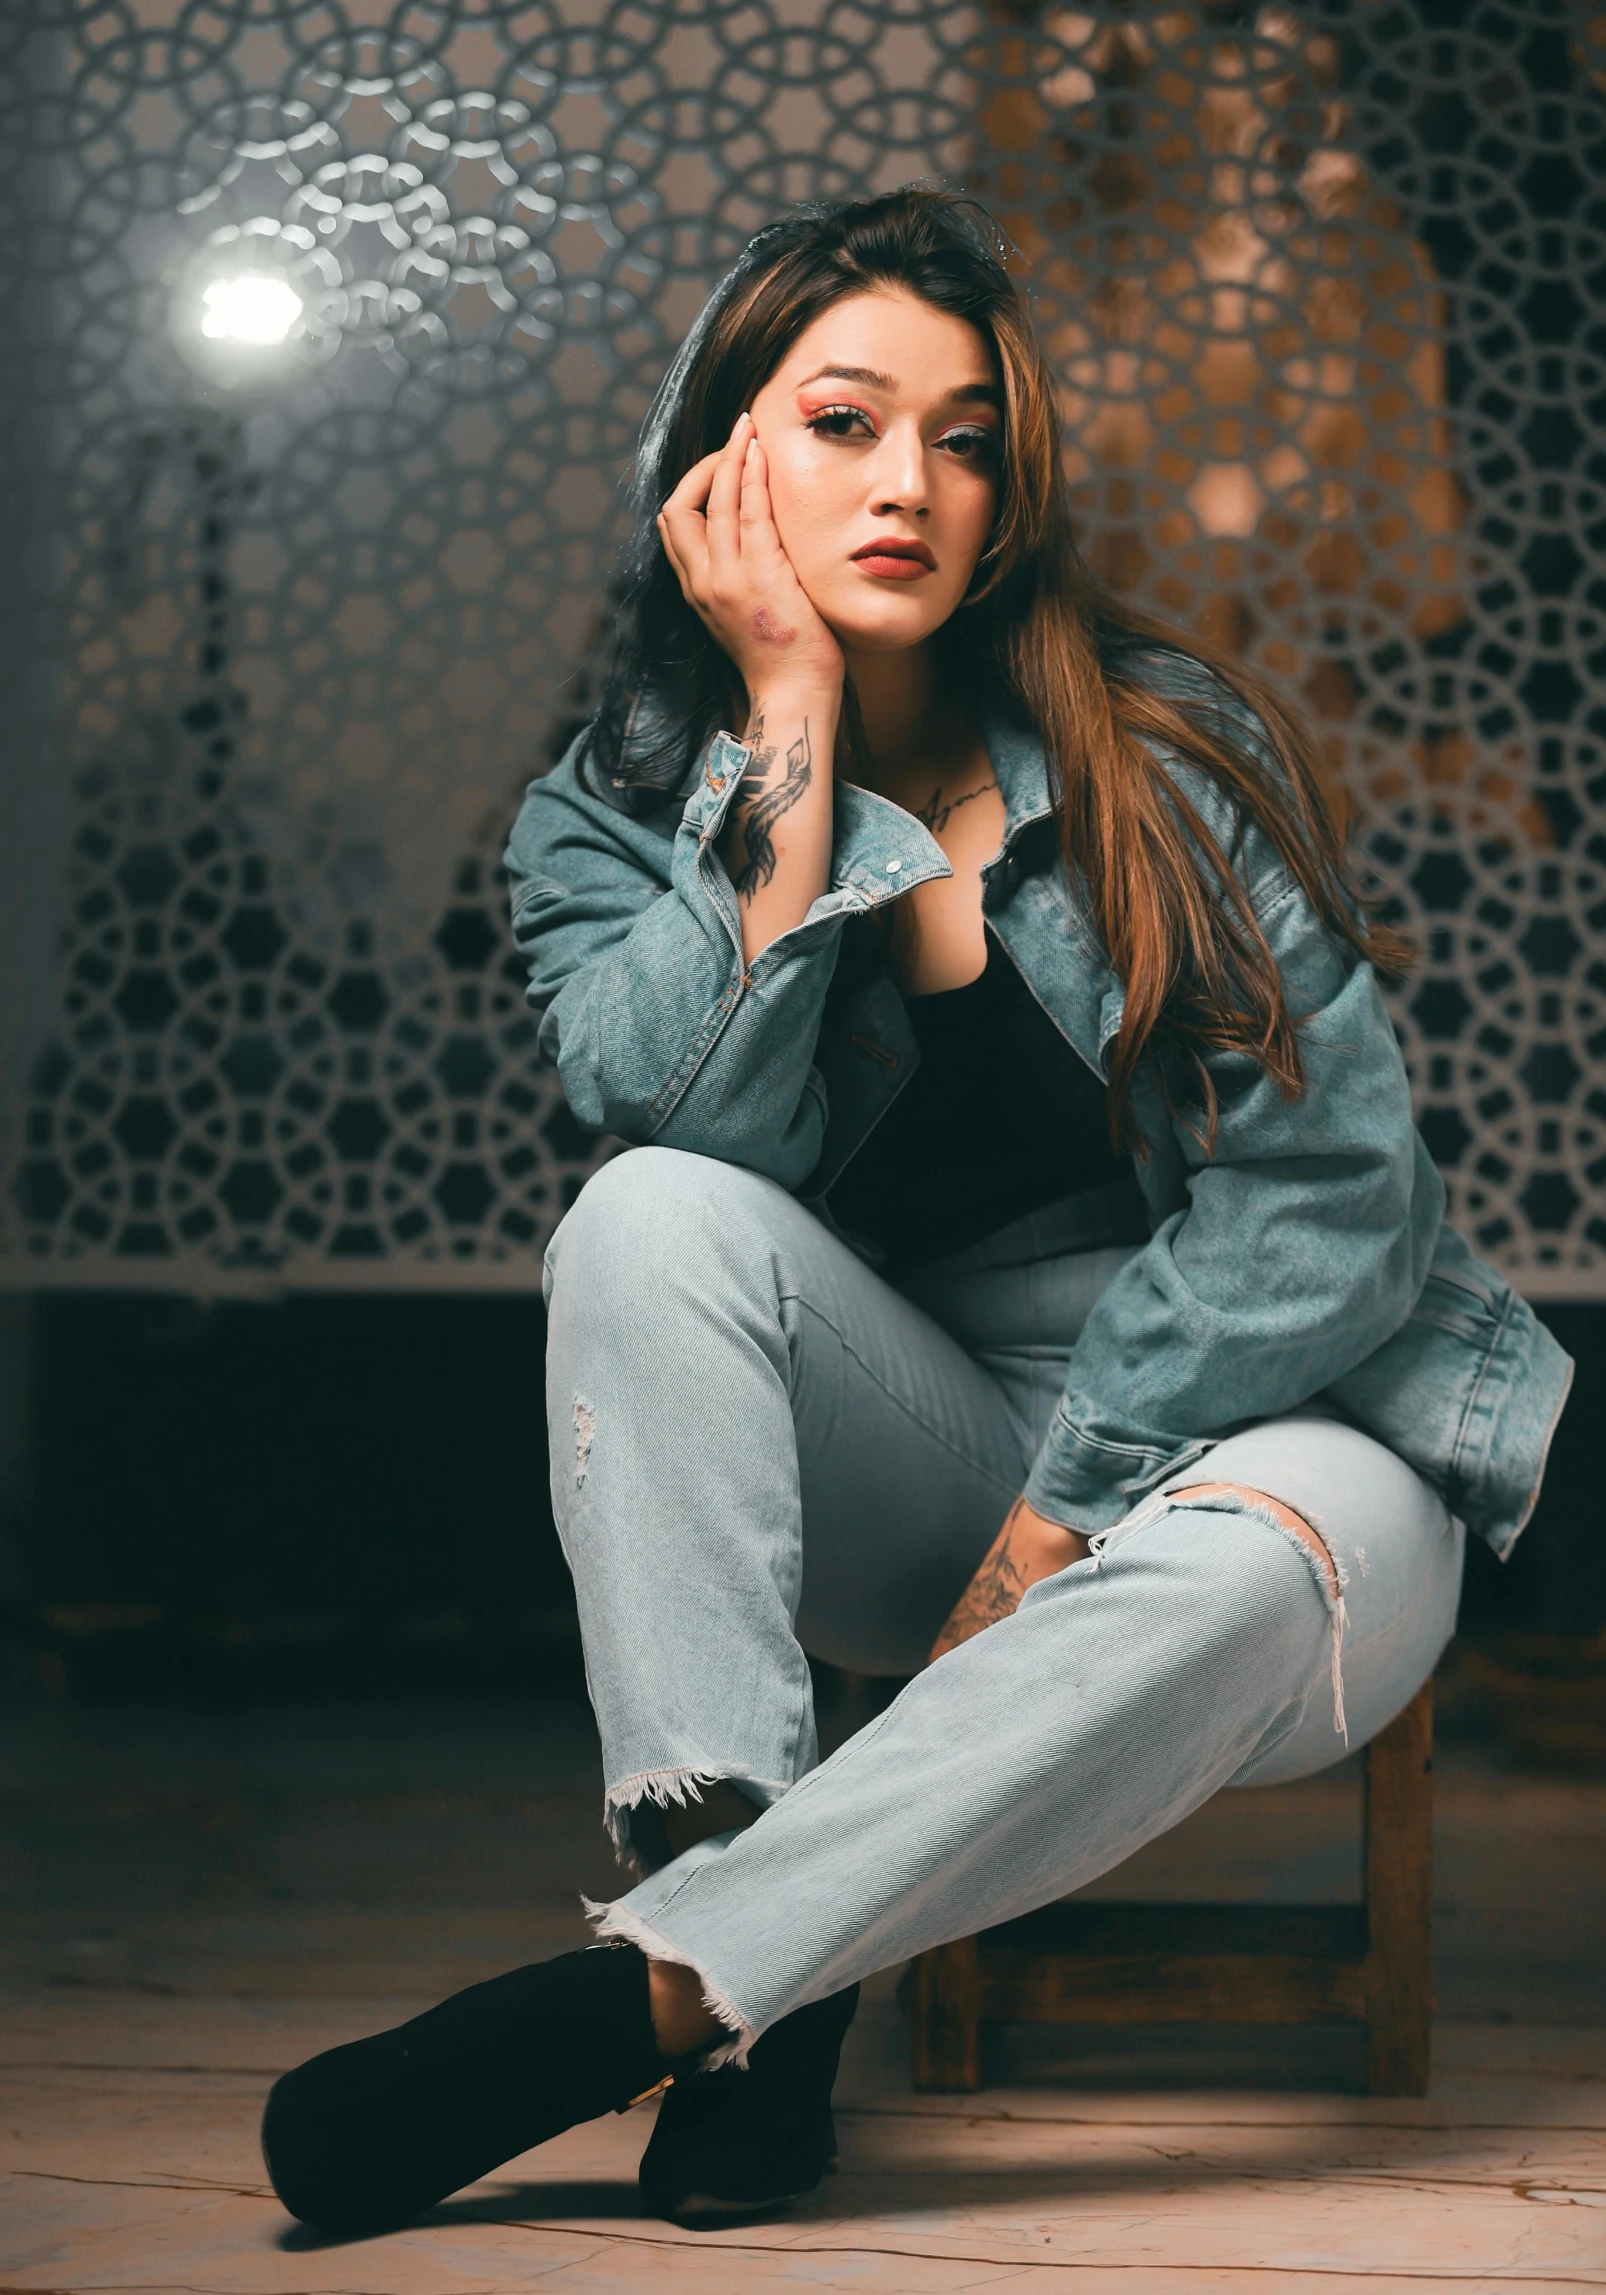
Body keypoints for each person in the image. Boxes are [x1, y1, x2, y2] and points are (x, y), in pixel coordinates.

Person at [260, 189, 1571, 2236]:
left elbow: (1331, 1200)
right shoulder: (606, 819)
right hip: (930, 1440)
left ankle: (673, 1996)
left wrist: (1073, 1499)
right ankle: (760, 1996)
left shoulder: (1150, 759)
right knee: (639, 1219)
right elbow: (684, 1126)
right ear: (720, 464)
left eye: (964, 439)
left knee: (1231, 1566)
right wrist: (776, 717)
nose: (911, 484)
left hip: (1282, 1438)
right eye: (845, 421)